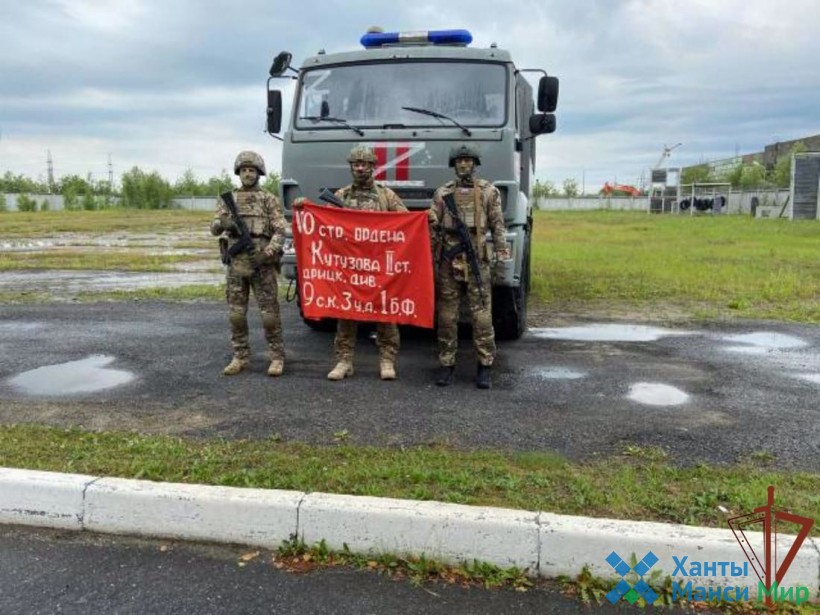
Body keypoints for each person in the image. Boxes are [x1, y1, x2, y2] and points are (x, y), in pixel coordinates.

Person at [428, 144, 510, 389]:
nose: (464, 164)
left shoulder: (488, 191)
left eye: (468, 160)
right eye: (459, 160)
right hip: (449, 259)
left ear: (475, 163)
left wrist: (501, 252)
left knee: (482, 314)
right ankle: (446, 364)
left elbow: (497, 225)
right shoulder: (443, 193)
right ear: (454, 164)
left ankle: (485, 365)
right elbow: (433, 226)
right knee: (446, 315)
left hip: (477, 257)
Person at [326, 145, 408, 381]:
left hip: (378, 265)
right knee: (346, 312)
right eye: (356, 164)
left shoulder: (386, 196)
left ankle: (387, 360)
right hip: (350, 265)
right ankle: (344, 361)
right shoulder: (341, 196)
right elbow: (324, 222)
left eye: (364, 164)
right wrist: (304, 209)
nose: (360, 168)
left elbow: (405, 222)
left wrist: (424, 218)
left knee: (385, 312)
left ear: (373, 167)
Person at [210, 150, 287, 377]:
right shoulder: (228, 199)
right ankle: (240, 356)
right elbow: (214, 228)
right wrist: (223, 224)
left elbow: (281, 231)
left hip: (261, 263)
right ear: (238, 173)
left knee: (269, 315)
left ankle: (277, 357)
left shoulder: (268, 199)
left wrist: (267, 253)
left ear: (259, 173)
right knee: (236, 314)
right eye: (244, 170)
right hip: (237, 263)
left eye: (251, 170)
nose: (247, 174)